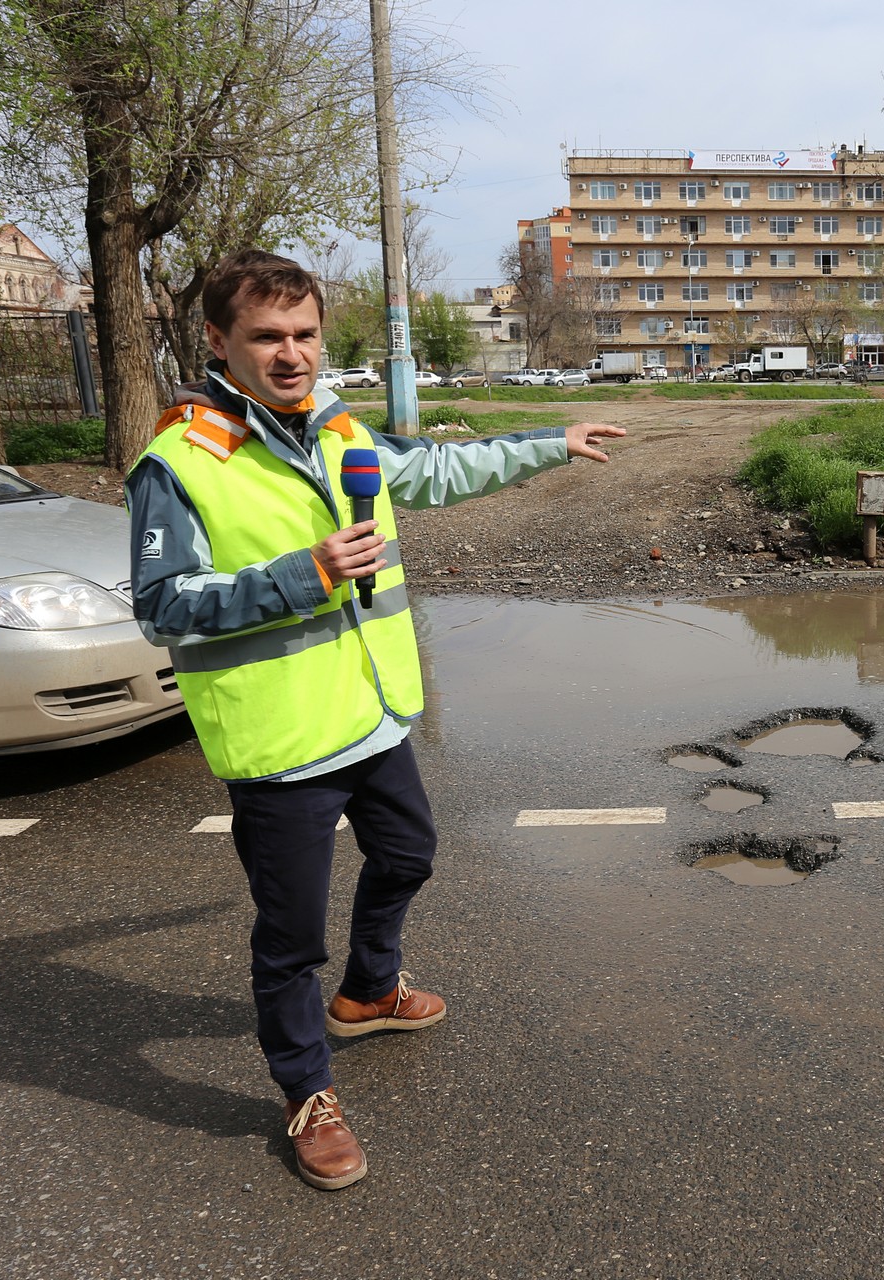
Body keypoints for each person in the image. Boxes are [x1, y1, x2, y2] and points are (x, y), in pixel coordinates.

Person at [126, 248, 624, 1190]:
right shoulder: (180, 463)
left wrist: (550, 443)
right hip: (281, 744)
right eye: (266, 338)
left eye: (305, 335)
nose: (291, 355)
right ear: (218, 340)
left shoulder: (336, 428)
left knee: (408, 856)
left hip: (373, 713)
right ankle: (306, 1093)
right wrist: (304, 575)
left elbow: (433, 471)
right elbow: (162, 604)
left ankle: (368, 991)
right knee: (289, 938)